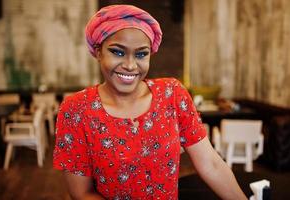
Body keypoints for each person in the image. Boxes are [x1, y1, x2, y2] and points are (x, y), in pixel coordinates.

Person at [53, 4, 247, 200]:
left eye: (141, 54)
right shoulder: (76, 109)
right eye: (117, 52)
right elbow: (81, 192)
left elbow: (211, 164)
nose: (130, 65)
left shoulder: (172, 94)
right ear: (98, 51)